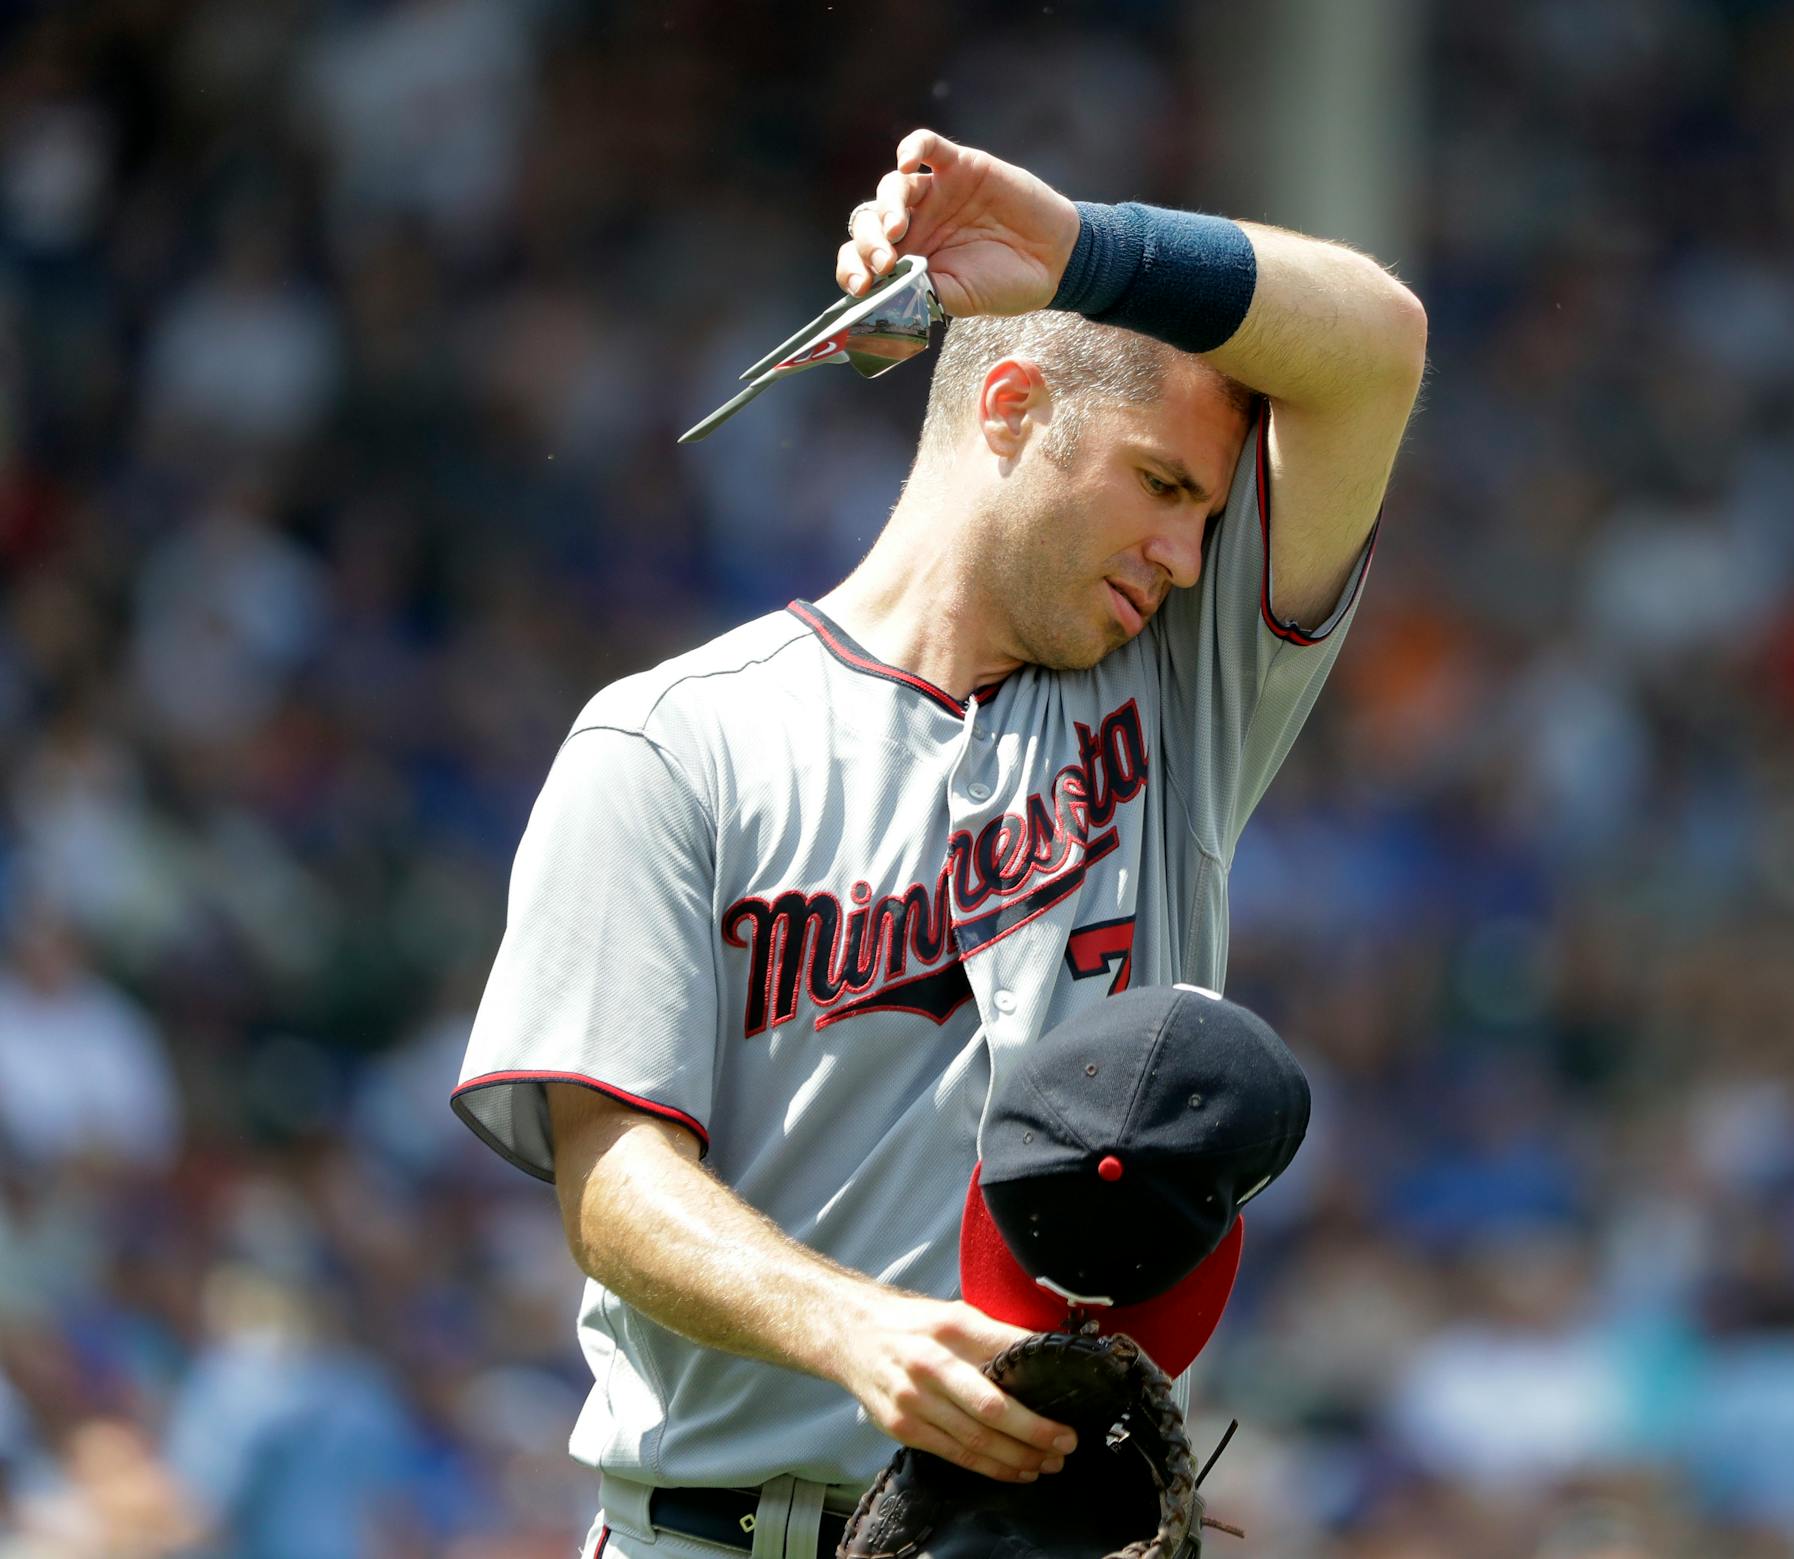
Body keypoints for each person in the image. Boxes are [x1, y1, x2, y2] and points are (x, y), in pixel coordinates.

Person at [450, 128, 1425, 1559]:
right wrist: (857, 1332)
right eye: (1163, 486)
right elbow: (613, 1184)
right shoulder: (670, 741)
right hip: (716, 1532)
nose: (1187, 552)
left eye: (1211, 516)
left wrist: (1080, 250)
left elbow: (1375, 346)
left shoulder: (1182, 693)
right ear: (1014, 407)